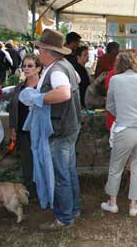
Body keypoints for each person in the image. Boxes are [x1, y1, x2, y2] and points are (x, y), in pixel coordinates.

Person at [33, 29, 81, 230]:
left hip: (60, 128)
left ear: (46, 51)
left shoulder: (57, 70)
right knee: (68, 171)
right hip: (70, 125)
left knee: (61, 174)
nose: (37, 53)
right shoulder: (64, 65)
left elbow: (64, 93)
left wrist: (39, 98)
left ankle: (64, 217)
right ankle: (74, 209)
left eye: (39, 49)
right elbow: (77, 80)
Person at [101, 52, 137, 217]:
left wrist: (123, 114)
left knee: (116, 167)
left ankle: (113, 203)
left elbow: (109, 105)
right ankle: (133, 205)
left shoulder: (116, 80)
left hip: (124, 129)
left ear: (119, 64)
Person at [8, 54, 42, 198]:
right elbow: (12, 109)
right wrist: (13, 129)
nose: (26, 69)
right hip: (22, 132)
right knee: (27, 165)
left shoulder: (43, 88)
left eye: (30, 66)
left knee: (41, 164)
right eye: (24, 65)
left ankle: (43, 192)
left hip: (39, 131)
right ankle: (30, 194)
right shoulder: (19, 87)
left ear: (38, 68)